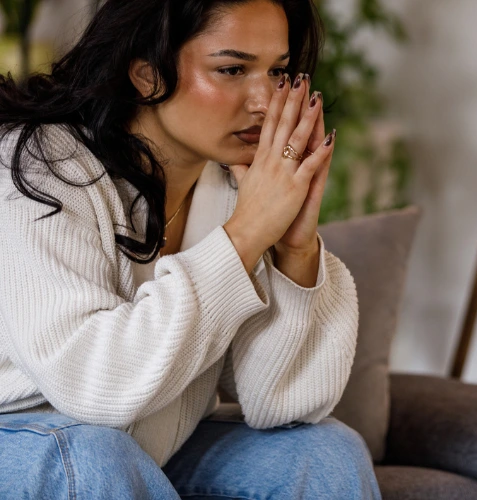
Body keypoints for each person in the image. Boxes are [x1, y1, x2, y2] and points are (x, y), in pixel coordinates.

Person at [0, 0, 381, 498]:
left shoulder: (234, 187)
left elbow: (286, 402)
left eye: (279, 71)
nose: (265, 100)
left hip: (150, 447)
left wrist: (295, 247)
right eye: (232, 69)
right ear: (147, 74)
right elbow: (94, 387)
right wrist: (244, 235)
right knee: (92, 456)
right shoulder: (38, 165)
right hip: (29, 439)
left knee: (326, 450)